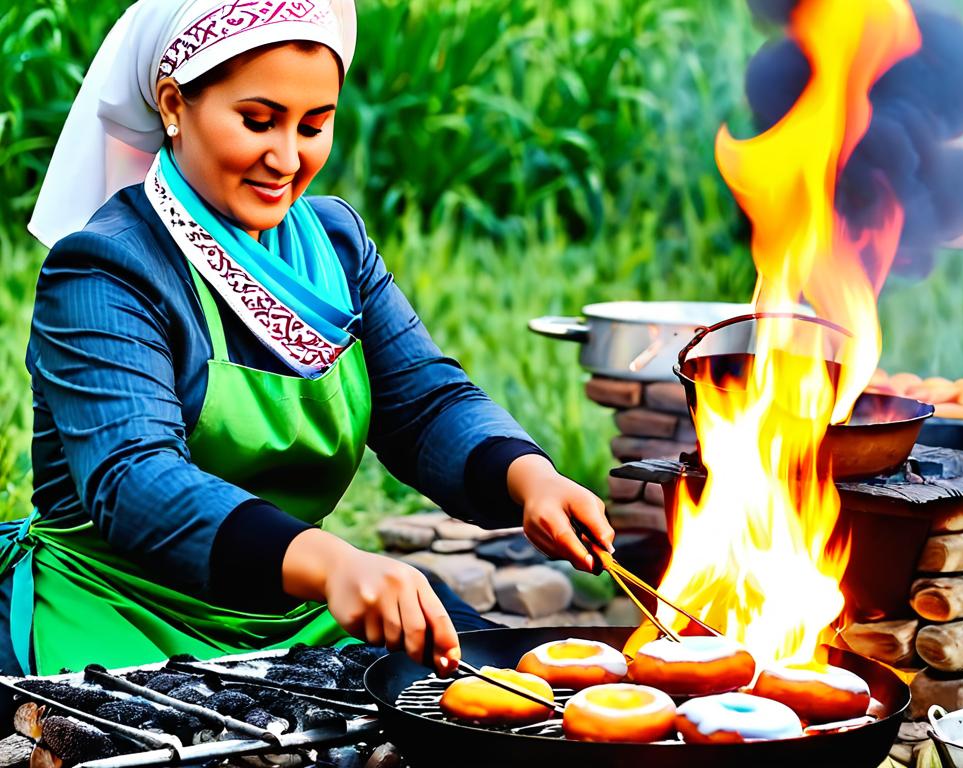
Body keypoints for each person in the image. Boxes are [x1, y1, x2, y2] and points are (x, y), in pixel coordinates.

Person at [0, 0, 615, 677]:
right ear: (174, 104)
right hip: (120, 605)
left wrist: (530, 479)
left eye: (315, 124)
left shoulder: (337, 245)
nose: (287, 158)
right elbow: (137, 480)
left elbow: (425, 405)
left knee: (519, 684)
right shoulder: (106, 267)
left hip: (294, 605)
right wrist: (331, 564)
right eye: (257, 121)